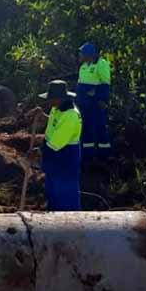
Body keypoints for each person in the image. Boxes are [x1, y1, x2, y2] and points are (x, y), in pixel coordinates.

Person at [38, 80, 82, 211]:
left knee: (65, 195)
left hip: (65, 156)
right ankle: (53, 221)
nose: (48, 102)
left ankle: (69, 225)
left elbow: (57, 143)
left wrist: (38, 152)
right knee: (52, 192)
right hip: (54, 154)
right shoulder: (57, 108)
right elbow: (54, 126)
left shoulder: (71, 115)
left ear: (59, 99)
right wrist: (42, 116)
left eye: (51, 99)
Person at [76, 42, 112, 157]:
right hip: (84, 103)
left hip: (95, 103)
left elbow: (105, 84)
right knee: (86, 128)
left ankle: (104, 154)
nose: (79, 56)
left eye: (81, 54)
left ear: (89, 55)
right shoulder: (84, 66)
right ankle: (88, 155)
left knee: (99, 127)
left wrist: (101, 98)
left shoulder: (101, 64)